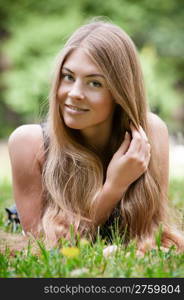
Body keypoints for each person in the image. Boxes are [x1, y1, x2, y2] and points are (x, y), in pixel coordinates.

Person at [8, 18, 184, 251]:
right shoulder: (29, 143)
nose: (74, 93)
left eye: (95, 83)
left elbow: (152, 231)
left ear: (120, 92)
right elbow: (44, 250)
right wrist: (114, 186)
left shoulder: (151, 133)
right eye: (68, 77)